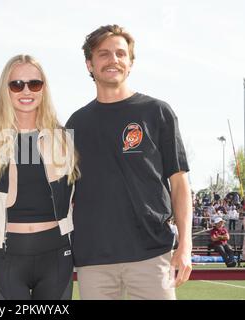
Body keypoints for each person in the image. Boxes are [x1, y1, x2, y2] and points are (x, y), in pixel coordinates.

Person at [65, 24, 193, 300]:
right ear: (89, 64)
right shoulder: (75, 124)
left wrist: (185, 245)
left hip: (151, 255)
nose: (113, 60)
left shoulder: (157, 112)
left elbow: (179, 182)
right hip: (94, 260)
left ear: (130, 63)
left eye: (121, 54)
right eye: (104, 54)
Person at [0, 54, 79, 300]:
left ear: (44, 88)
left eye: (34, 84)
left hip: (56, 255)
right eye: (17, 84)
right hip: (5, 257)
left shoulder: (64, 138)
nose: (26, 91)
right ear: (6, 89)